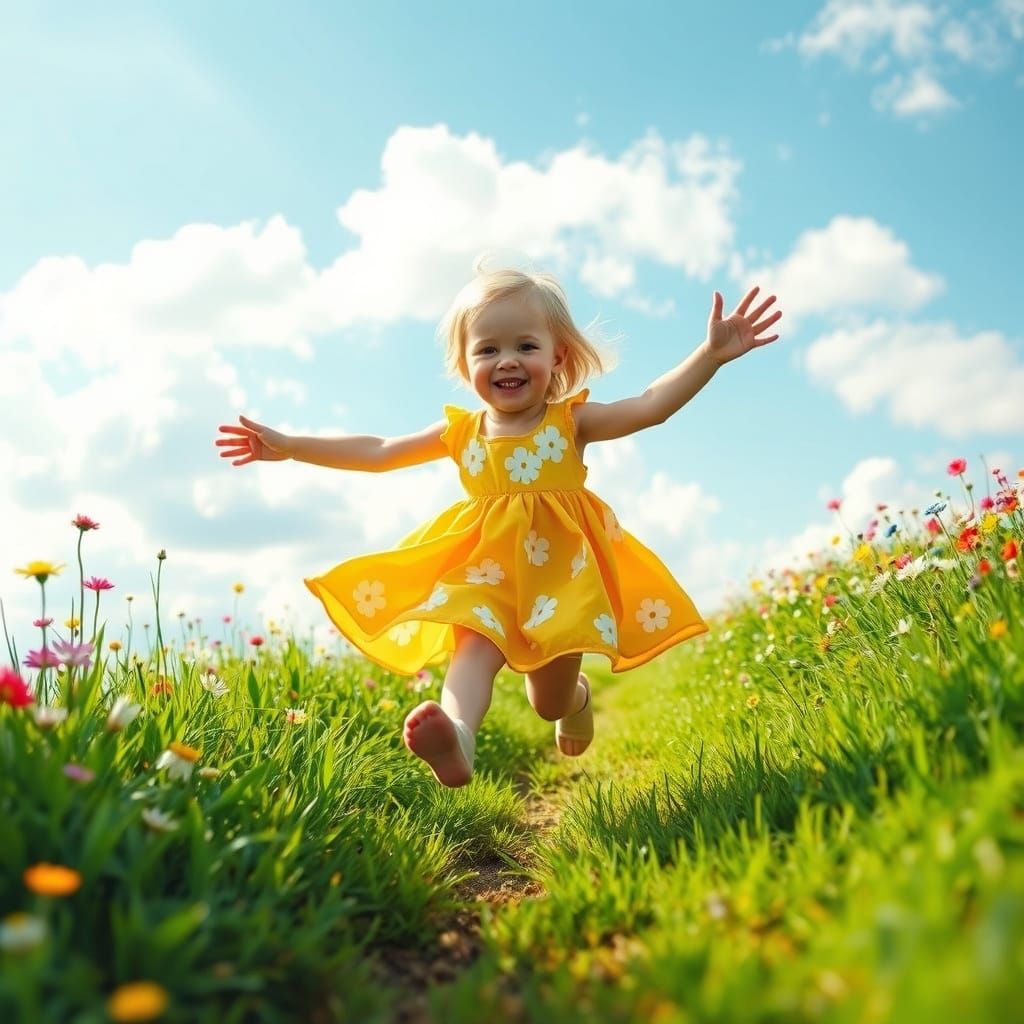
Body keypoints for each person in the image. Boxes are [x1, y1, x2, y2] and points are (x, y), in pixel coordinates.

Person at [216, 260, 781, 787]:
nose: (507, 360)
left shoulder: (570, 420)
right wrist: (290, 446)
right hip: (482, 570)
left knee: (548, 701)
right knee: (472, 648)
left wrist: (708, 356)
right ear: (466, 366)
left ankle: (577, 701)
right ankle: (458, 737)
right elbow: (379, 450)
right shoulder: (460, 433)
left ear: (557, 357)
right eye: (488, 349)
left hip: (561, 580)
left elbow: (649, 405)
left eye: (525, 346)